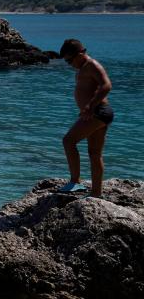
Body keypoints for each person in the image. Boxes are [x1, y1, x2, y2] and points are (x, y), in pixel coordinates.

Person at [58, 39, 114, 198]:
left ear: (81, 53)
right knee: (94, 153)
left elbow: (106, 85)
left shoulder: (92, 65)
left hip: (98, 111)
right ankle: (96, 193)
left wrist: (90, 106)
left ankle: (75, 181)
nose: (69, 64)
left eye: (70, 60)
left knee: (68, 141)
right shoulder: (83, 67)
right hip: (98, 112)